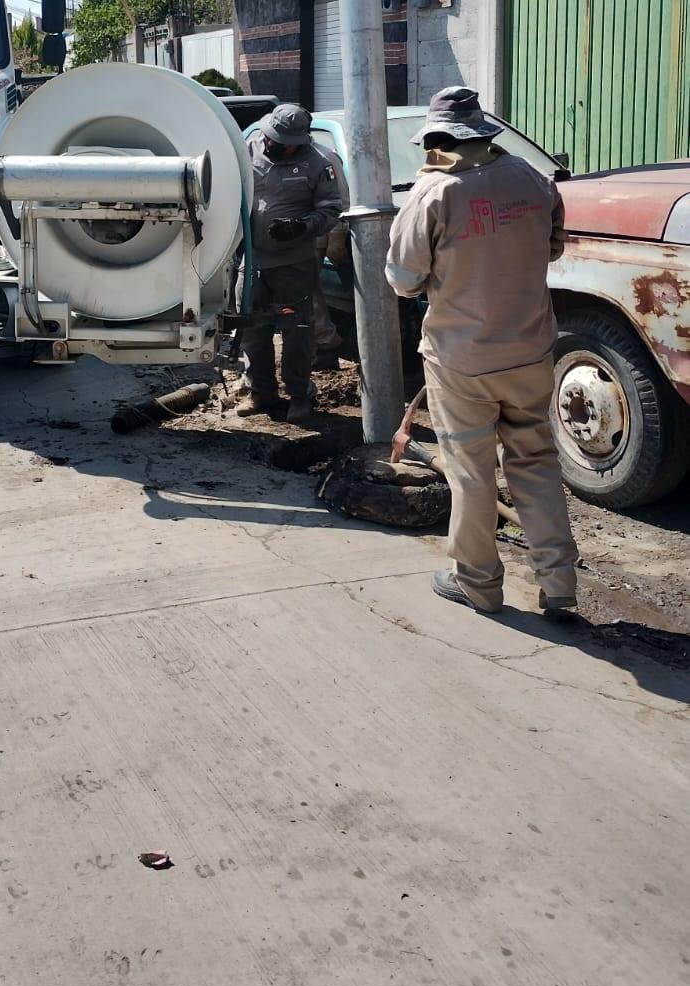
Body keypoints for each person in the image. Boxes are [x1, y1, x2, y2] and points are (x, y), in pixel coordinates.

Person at [385, 85, 579, 615]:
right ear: (483, 132)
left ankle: (477, 583)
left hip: (463, 359)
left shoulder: (433, 194)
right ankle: (559, 585)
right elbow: (554, 245)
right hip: (531, 350)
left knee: (471, 471)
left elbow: (403, 280)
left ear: (437, 138)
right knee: (536, 460)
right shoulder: (535, 181)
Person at [240, 103, 343, 419]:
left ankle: (299, 395)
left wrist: (301, 226)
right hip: (254, 263)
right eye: (271, 137)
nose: (273, 144)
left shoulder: (318, 164)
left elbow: (331, 210)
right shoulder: (247, 151)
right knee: (253, 331)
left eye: (282, 142)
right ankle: (261, 392)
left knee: (296, 331)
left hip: (293, 266)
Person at [312, 141, 350, 370]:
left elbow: (341, 201)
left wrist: (337, 231)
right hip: (280, 240)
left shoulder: (325, 157)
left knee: (309, 295)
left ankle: (326, 343)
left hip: (314, 236)